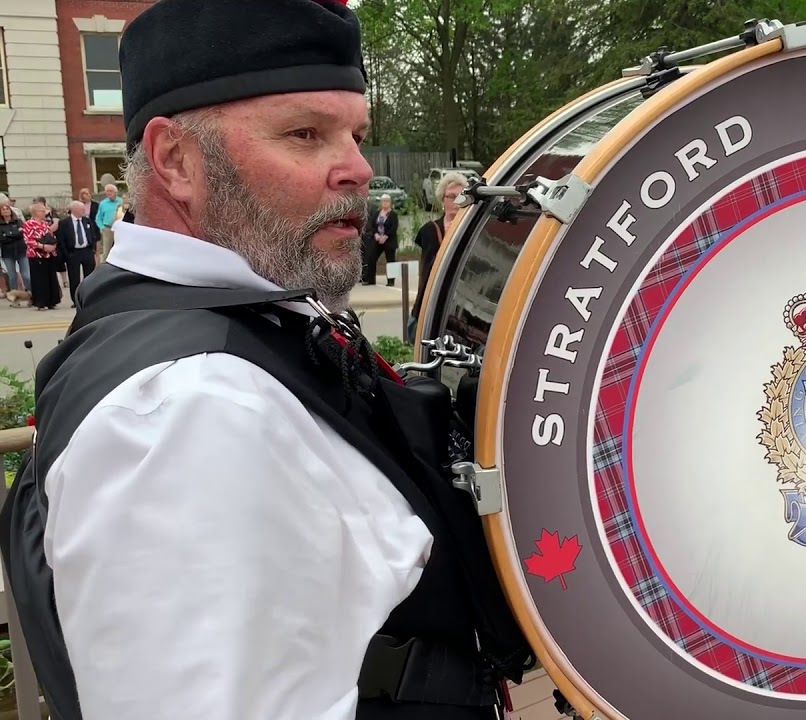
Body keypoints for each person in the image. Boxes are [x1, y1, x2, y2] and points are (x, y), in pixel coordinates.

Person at [0, 2, 533, 720]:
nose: (357, 169)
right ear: (176, 161)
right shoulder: (190, 410)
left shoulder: (228, 323)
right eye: (305, 133)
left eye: (356, 135)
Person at [408, 172, 466, 337]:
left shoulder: (471, 231)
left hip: (460, 310)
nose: (457, 201)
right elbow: (427, 272)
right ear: (443, 200)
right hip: (432, 303)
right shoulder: (430, 231)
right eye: (452, 196)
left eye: (461, 196)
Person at [56, 200, 98, 306]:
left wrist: (93, 248)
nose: (84, 211)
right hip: (73, 253)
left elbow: (93, 235)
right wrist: (66, 255)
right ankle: (76, 300)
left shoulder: (87, 221)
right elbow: (61, 240)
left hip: (87, 251)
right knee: (74, 278)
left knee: (89, 276)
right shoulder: (64, 223)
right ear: (74, 210)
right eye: (81, 209)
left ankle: (90, 298)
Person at [21, 203, 60, 310]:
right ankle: (40, 301)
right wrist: (42, 246)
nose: (45, 213)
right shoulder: (28, 224)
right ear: (36, 212)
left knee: (50, 277)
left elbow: (51, 235)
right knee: (39, 279)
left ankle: (52, 300)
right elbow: (28, 240)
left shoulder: (45, 224)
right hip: (36, 255)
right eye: (43, 211)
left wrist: (53, 245)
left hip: (49, 254)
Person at [361, 193, 398, 286]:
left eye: (387, 201)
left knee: (390, 260)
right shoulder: (378, 213)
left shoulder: (393, 214)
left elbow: (394, 227)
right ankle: (370, 279)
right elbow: (373, 225)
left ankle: (391, 281)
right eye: (383, 201)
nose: (385, 203)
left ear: (390, 202)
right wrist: (376, 234)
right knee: (371, 257)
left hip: (388, 240)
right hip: (377, 239)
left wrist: (385, 236)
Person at [0, 203, 28, 293]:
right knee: (12, 276)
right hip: (7, 253)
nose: (5, 210)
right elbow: (2, 238)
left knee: (26, 275)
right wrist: (13, 234)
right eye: (3, 209)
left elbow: (21, 233)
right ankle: (14, 295)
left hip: (21, 251)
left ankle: (31, 293)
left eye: (7, 209)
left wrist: (8, 234)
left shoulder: (18, 221)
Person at [94, 183, 122, 259]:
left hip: (120, 229)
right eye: (107, 191)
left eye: (111, 191)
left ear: (115, 192)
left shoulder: (121, 201)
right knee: (107, 251)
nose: (109, 193)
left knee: (120, 249)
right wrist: (102, 227)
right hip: (107, 229)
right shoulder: (103, 203)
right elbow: (98, 218)